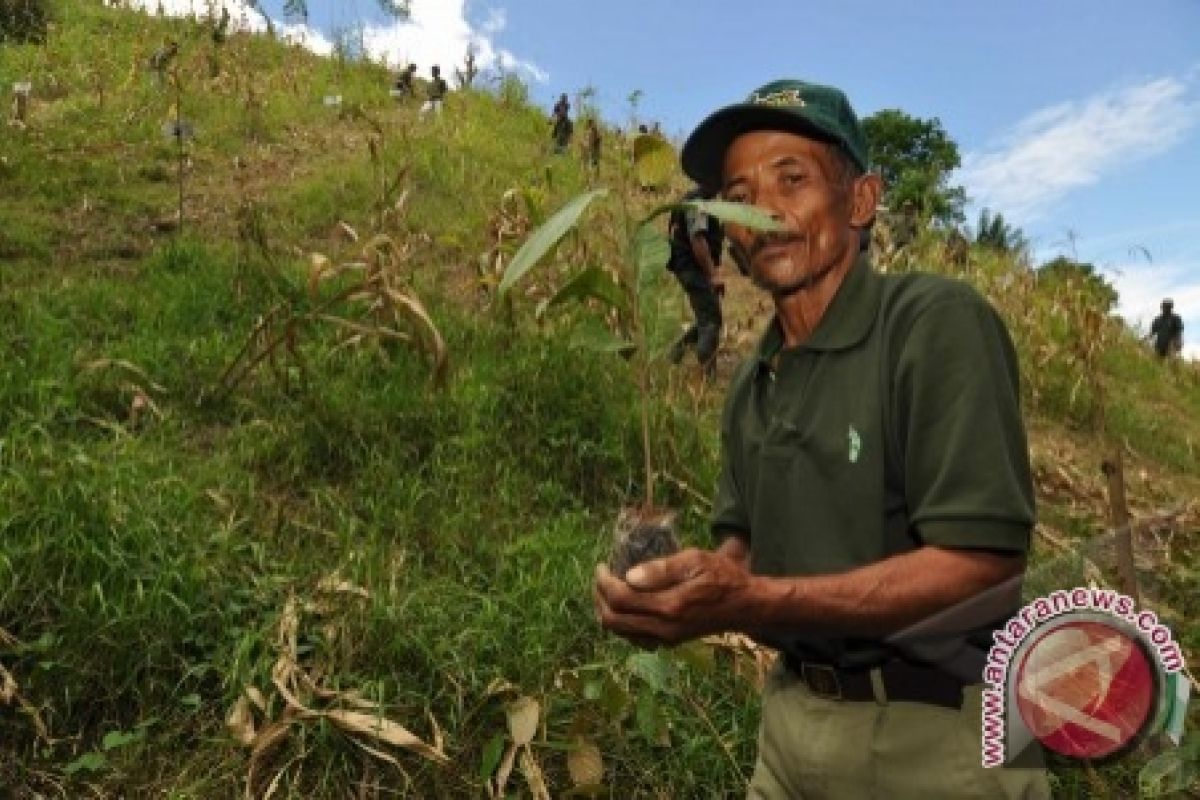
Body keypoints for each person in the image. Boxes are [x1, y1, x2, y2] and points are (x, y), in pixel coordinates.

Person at [594, 79, 1050, 799]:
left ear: (861, 201)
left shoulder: (934, 326)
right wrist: (674, 592)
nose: (763, 210)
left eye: (792, 178)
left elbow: (984, 567)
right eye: (737, 192)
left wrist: (749, 600)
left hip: (941, 735)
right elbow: (743, 549)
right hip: (789, 726)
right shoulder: (754, 382)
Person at [666, 187, 724, 375]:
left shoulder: (699, 200)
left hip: (687, 267)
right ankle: (708, 374)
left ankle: (676, 353)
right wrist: (712, 274)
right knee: (711, 319)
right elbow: (697, 240)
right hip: (690, 268)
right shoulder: (697, 203)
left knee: (706, 314)